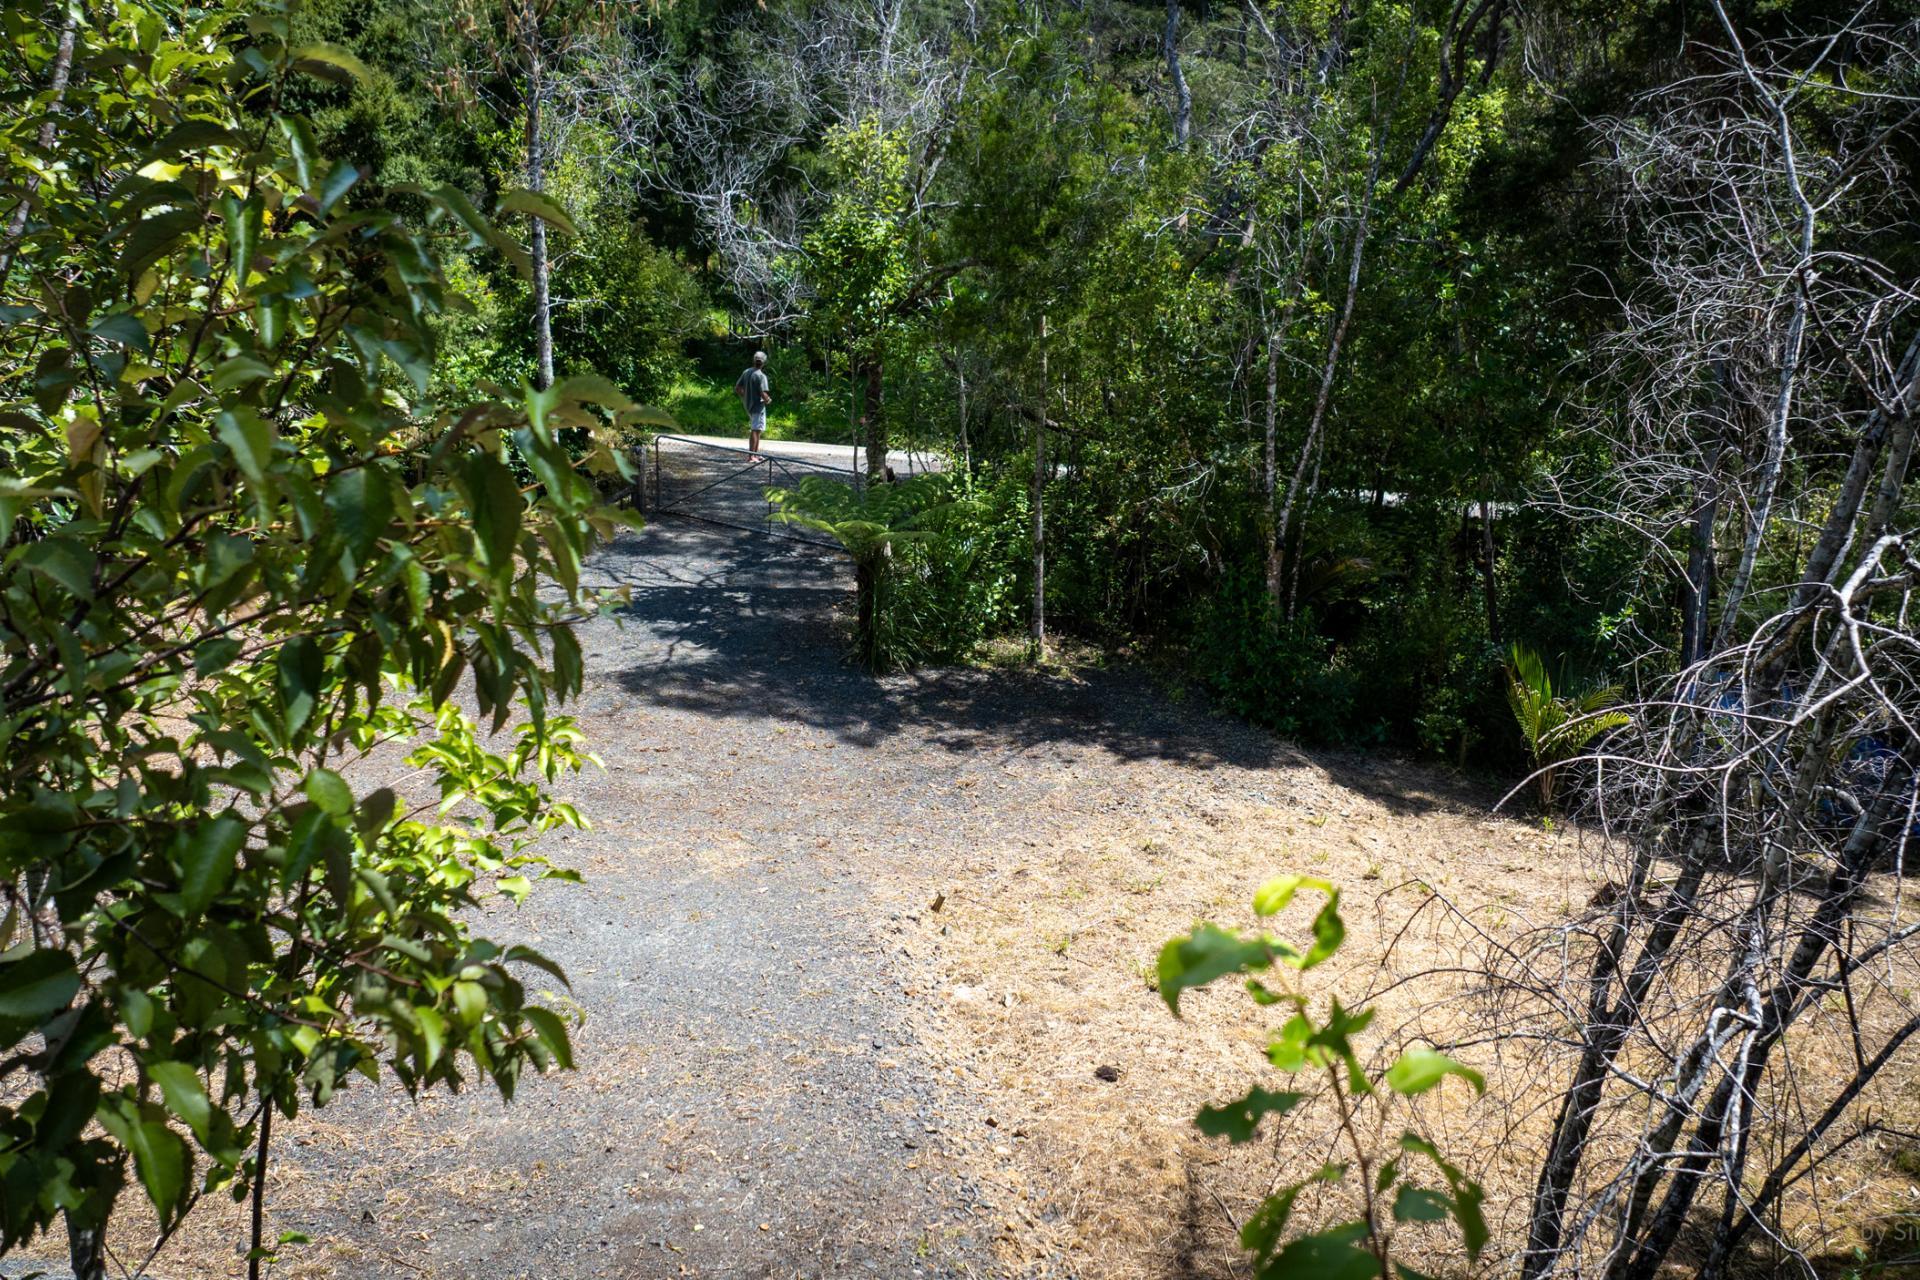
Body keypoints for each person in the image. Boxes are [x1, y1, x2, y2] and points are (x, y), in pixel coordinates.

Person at [734, 350, 771, 455]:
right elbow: (763, 394)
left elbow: (737, 388)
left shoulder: (746, 372)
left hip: (748, 406)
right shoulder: (761, 376)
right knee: (755, 430)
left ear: (754, 360)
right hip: (758, 407)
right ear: (764, 362)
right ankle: (751, 456)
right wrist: (768, 400)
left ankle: (755, 454)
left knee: (757, 430)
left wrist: (745, 396)